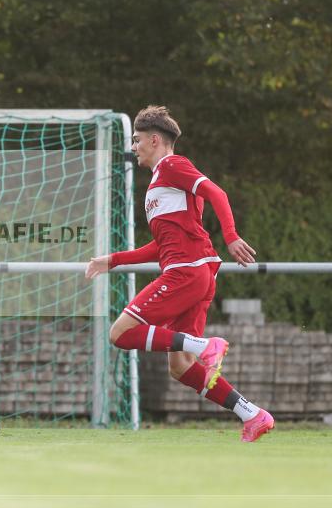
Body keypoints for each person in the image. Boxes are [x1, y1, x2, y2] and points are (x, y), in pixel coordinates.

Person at [86, 106, 274, 442]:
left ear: (154, 139)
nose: (133, 147)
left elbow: (217, 192)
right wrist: (111, 261)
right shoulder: (161, 182)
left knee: (120, 333)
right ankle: (253, 414)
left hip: (186, 273)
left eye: (137, 140)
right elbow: (159, 247)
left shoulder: (172, 165)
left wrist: (231, 236)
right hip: (196, 274)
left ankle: (207, 344)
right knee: (181, 365)